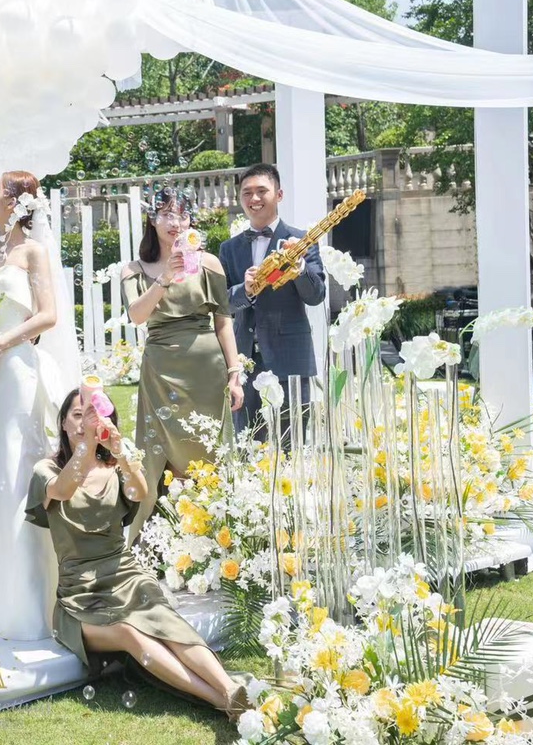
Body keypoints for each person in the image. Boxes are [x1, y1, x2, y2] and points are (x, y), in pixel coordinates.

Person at [26, 389, 251, 722]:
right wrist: (88, 444)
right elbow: (63, 489)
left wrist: (119, 451)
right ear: (62, 423)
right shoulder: (47, 470)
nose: (84, 422)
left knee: (166, 623)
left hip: (126, 576)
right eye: (77, 415)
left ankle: (229, 690)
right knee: (130, 632)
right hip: (79, 596)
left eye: (92, 416)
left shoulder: (115, 468)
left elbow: (140, 492)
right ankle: (222, 700)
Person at [0, 171, 80, 640]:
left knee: (15, 472)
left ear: (16, 202)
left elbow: (48, 315)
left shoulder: (33, 252)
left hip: (17, 373)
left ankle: (29, 603)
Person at [120, 189, 244, 541]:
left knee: (209, 448)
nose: (175, 222)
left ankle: (218, 536)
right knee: (156, 454)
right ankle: (155, 541)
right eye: (166, 214)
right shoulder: (134, 269)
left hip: (207, 372)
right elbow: (137, 316)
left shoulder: (209, 263)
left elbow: (223, 322)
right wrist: (165, 277)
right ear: (151, 219)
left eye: (182, 215)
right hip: (160, 372)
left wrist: (234, 374)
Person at [218, 163, 326, 437]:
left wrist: (299, 269)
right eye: (247, 193)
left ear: (279, 195)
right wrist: (245, 290)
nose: (254, 198)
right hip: (244, 361)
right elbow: (221, 304)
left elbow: (316, 296)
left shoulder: (301, 241)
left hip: (290, 359)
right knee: (248, 443)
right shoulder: (229, 248)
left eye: (261, 191)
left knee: (293, 444)